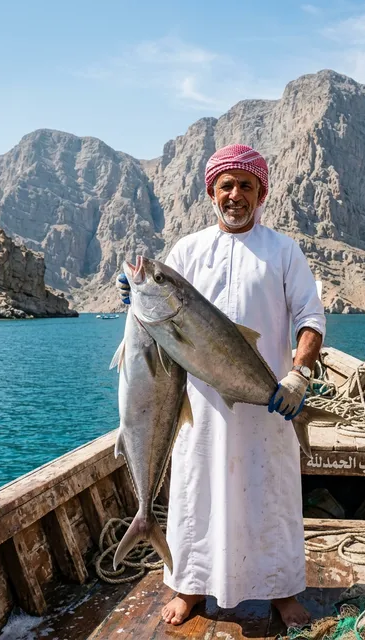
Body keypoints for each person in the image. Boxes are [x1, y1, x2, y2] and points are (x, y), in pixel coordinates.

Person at [116, 144, 325, 629]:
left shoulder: (283, 250)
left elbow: (311, 317)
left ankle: (282, 591)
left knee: (270, 493)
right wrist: (131, 297)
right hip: (200, 406)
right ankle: (188, 584)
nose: (235, 195)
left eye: (246, 186)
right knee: (196, 490)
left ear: (261, 193)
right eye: (226, 186)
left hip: (268, 406)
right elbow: (155, 322)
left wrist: (298, 374)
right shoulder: (187, 250)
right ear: (211, 192)